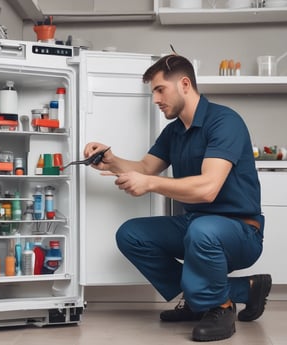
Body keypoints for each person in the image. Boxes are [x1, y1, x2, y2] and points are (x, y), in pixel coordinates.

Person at [83, 53, 272, 342]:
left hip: (240, 230)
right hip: (197, 225)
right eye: (153, 92)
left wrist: (149, 184)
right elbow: (146, 168)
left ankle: (219, 306)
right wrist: (111, 160)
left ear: (184, 84)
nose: (156, 99)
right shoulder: (174, 132)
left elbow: (208, 188)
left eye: (160, 89)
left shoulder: (225, 122)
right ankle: (224, 294)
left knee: (202, 230)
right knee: (131, 234)